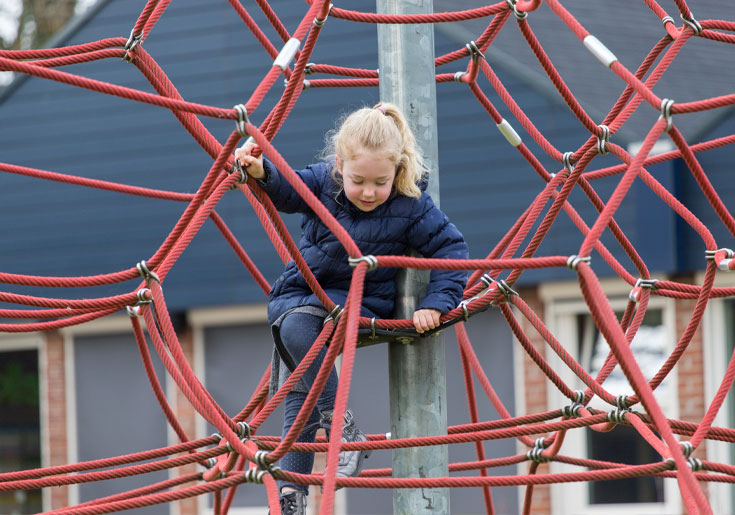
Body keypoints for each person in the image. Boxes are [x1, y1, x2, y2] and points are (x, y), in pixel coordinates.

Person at [235, 102, 468, 515]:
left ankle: (340, 422)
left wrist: (436, 303)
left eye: (380, 182)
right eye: (358, 180)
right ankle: (293, 494)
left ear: (397, 171)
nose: (368, 192)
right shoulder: (325, 182)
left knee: (295, 338)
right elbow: (290, 189)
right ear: (339, 165)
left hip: (357, 301)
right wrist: (261, 172)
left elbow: (451, 249)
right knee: (299, 387)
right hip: (304, 290)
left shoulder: (410, 202)